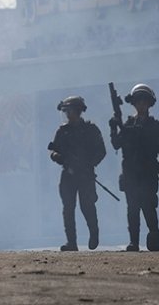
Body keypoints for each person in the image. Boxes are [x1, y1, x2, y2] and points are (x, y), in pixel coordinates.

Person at [109, 84, 159, 252]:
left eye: (144, 101)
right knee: (132, 209)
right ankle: (134, 242)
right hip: (131, 173)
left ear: (149, 103)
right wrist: (113, 127)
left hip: (148, 173)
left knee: (149, 207)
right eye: (138, 101)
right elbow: (116, 144)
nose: (141, 105)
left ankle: (155, 238)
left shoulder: (154, 125)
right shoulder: (128, 124)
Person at [49, 96, 106, 251]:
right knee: (68, 208)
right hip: (68, 175)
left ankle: (94, 232)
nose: (67, 114)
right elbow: (53, 151)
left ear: (78, 111)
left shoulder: (90, 130)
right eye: (66, 111)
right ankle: (71, 242)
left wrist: (88, 165)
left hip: (85, 175)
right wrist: (59, 158)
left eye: (70, 110)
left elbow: (101, 151)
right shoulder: (63, 131)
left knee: (87, 206)